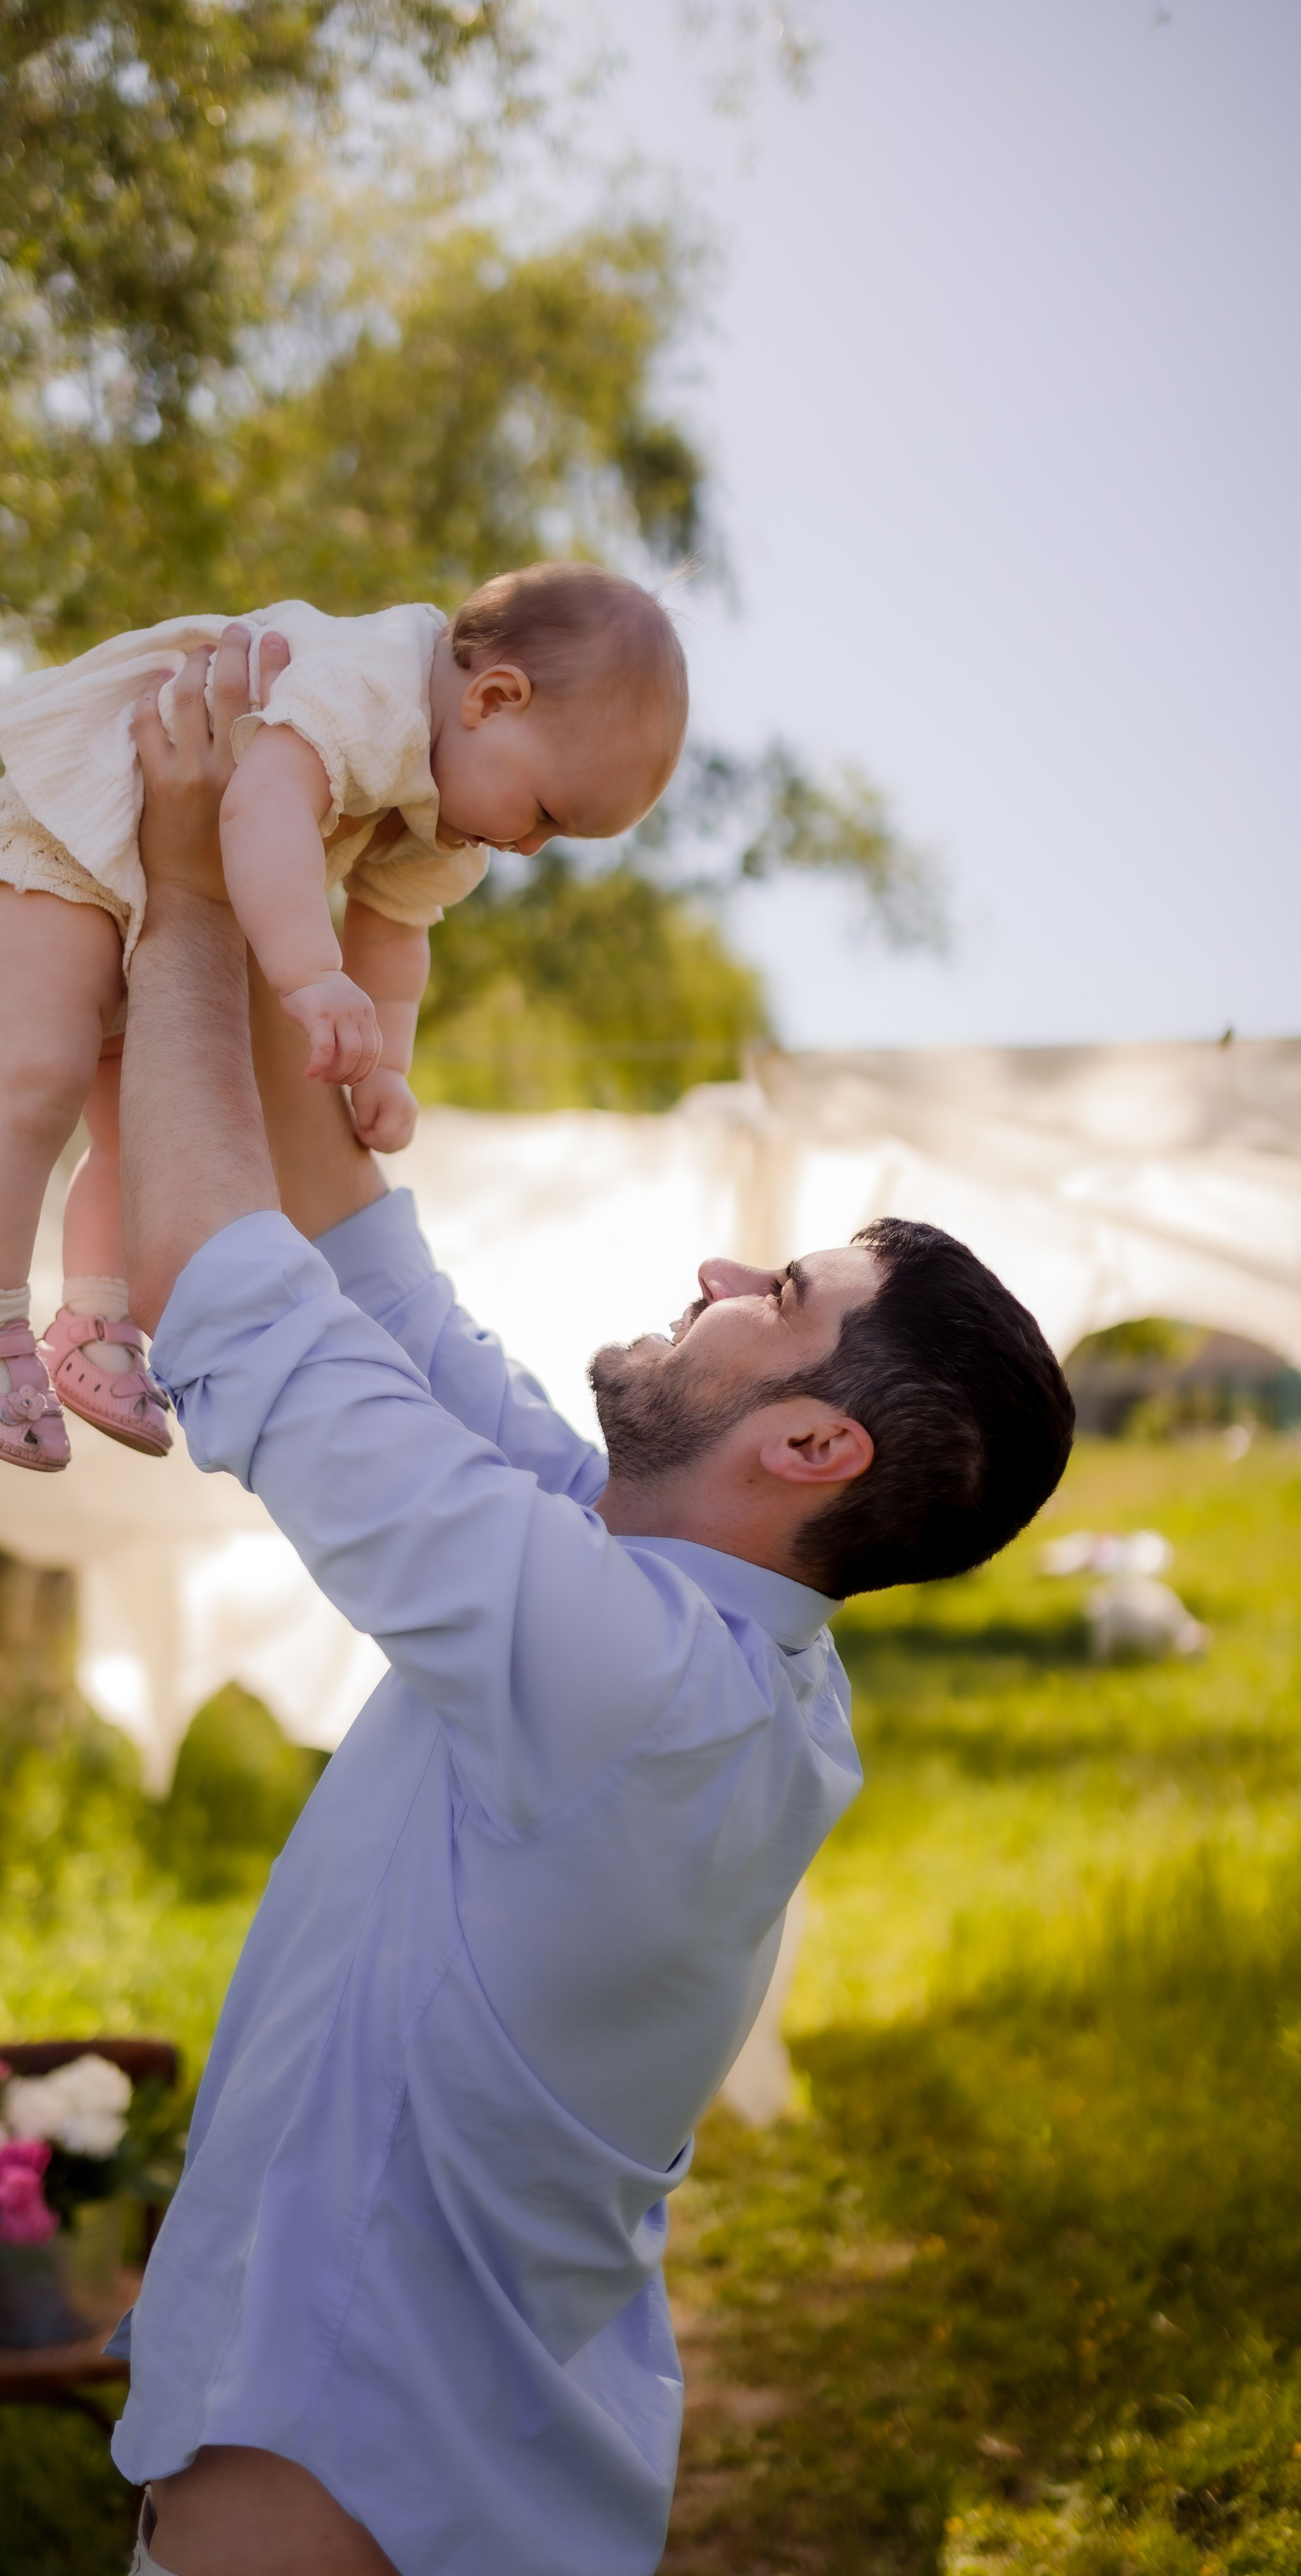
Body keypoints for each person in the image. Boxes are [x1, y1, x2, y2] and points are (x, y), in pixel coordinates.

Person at [105, 632, 1075, 2576]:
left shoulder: (638, 1677)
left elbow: (240, 1304)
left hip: (333, 2450)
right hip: (466, 2451)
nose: (724, 1267)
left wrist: (190, 915)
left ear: (811, 1452)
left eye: (778, 1297)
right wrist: (353, 937)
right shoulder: (713, 1648)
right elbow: (373, 1291)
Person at [0, 567, 686, 1472]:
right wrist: (310, 975)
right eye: (546, 813)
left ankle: (94, 1321)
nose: (530, 848)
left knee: (134, 1141)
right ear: (494, 698)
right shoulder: (373, 686)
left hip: (138, 898)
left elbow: (396, 928)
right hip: (56, 854)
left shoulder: (448, 803)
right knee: (35, 1085)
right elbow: (260, 799)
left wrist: (386, 1064)